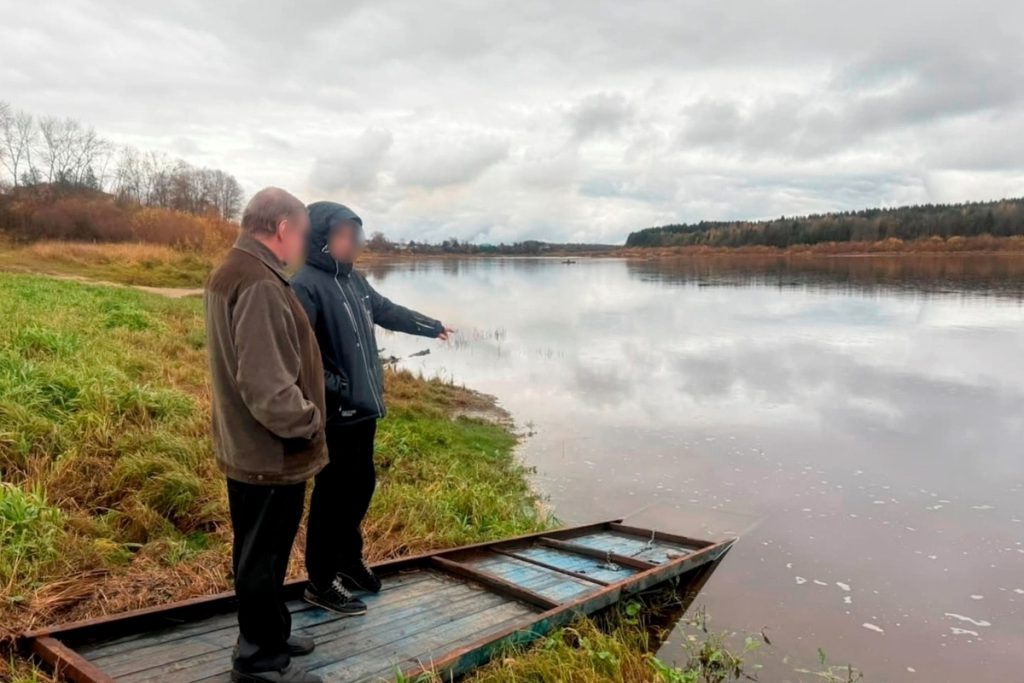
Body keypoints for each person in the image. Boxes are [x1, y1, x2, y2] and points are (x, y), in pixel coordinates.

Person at [292, 201, 453, 616]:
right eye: (348, 235)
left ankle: (347, 561)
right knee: (332, 495)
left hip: (363, 412)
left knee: (360, 487)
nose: (357, 243)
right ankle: (321, 580)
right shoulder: (305, 286)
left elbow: (385, 311)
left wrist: (431, 326)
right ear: (323, 240)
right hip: (336, 415)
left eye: (357, 235)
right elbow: (298, 357)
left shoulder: (354, 282)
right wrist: (339, 389)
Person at [204, 187, 327, 683]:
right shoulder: (258, 283)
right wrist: (312, 421)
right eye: (302, 235)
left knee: (264, 554)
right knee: (261, 558)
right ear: (282, 229)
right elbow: (266, 388)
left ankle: (272, 633)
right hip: (270, 453)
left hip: (254, 448)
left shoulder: (238, 270)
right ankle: (257, 661)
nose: (303, 245)